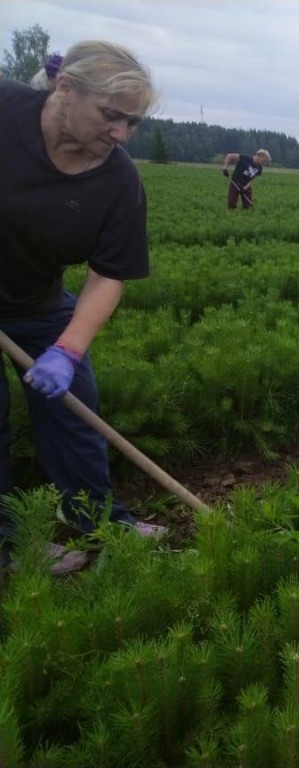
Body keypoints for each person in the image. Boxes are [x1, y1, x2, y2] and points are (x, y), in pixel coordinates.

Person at [0, 40, 166, 575]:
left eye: (133, 123)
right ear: (64, 88)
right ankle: (8, 546)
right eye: (111, 116)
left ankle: (99, 519)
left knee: (75, 409)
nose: (121, 134)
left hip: (35, 300)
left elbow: (108, 274)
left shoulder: (117, 180)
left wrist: (67, 350)